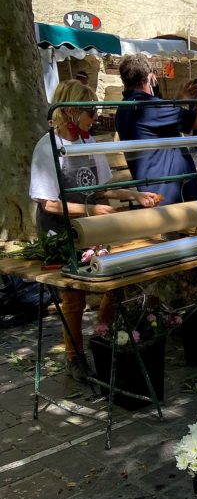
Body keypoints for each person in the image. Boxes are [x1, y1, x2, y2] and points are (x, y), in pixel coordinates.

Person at [30, 79, 159, 381]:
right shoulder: (48, 147)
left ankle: (103, 332)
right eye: (90, 112)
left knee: (115, 280)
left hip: (92, 227)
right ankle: (74, 357)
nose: (95, 118)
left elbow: (104, 188)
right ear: (71, 110)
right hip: (61, 234)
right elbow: (48, 203)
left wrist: (135, 195)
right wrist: (91, 209)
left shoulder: (90, 143)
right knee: (73, 297)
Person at [115, 54, 197, 204]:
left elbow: (158, 129)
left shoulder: (124, 108)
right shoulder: (149, 107)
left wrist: (179, 102)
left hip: (158, 191)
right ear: (150, 78)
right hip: (172, 197)